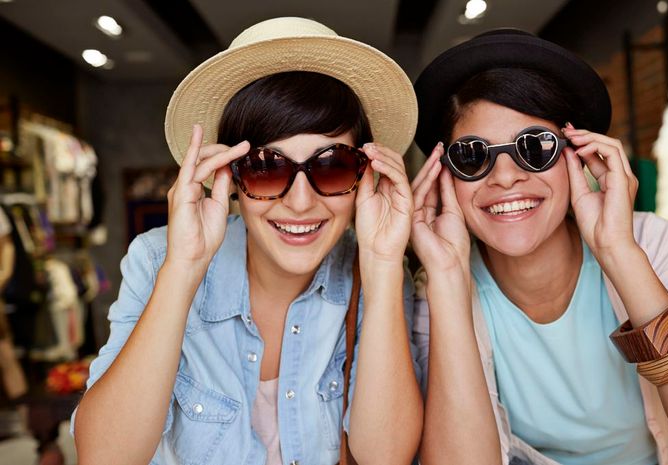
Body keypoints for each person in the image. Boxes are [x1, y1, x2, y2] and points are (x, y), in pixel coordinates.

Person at [71, 17, 423, 465]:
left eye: (331, 166)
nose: (300, 202)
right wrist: (183, 269)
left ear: (363, 176)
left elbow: (386, 458)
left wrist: (384, 264)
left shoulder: (377, 269)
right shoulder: (158, 258)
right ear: (230, 177)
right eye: (266, 168)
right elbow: (105, 457)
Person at [410, 29, 668, 465]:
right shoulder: (438, 281)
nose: (504, 178)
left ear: (576, 157)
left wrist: (619, 253)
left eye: (534, 148)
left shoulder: (649, 244)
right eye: (472, 156)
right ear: (445, 174)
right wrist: (447, 280)